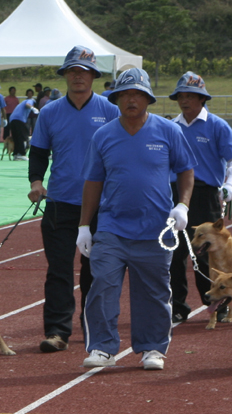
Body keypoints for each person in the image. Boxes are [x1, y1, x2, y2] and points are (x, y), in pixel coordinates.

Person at [79, 67, 195, 371]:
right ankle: (103, 347)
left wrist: (182, 206)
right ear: (117, 98)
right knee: (102, 284)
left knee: (154, 292)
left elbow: (186, 170)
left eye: (137, 94)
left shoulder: (169, 131)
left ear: (147, 98)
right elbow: (93, 182)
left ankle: (153, 348)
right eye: (125, 94)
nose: (131, 99)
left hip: (156, 230)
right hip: (112, 228)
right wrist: (83, 226)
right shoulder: (103, 135)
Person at [28, 46, 120, 353]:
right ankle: (57, 331)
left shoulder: (110, 110)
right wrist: (36, 182)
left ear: (94, 76)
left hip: (101, 206)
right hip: (60, 203)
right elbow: (39, 152)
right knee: (58, 269)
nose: (78, 77)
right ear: (66, 76)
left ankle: (93, 328)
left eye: (84, 72)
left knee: (96, 269)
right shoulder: (50, 113)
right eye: (72, 72)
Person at [168, 71, 232, 323]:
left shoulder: (218, 126)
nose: (185, 101)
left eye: (190, 96)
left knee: (211, 254)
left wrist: (228, 186)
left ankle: (216, 304)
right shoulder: (170, 127)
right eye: (181, 96)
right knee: (175, 253)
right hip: (176, 195)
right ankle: (178, 307)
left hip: (206, 195)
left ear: (202, 99)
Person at [7, 96, 36, 161]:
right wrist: (33, 108)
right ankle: (22, 154)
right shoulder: (30, 101)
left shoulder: (21, 104)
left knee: (16, 137)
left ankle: (16, 154)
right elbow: (28, 104)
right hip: (19, 120)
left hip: (12, 120)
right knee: (23, 137)